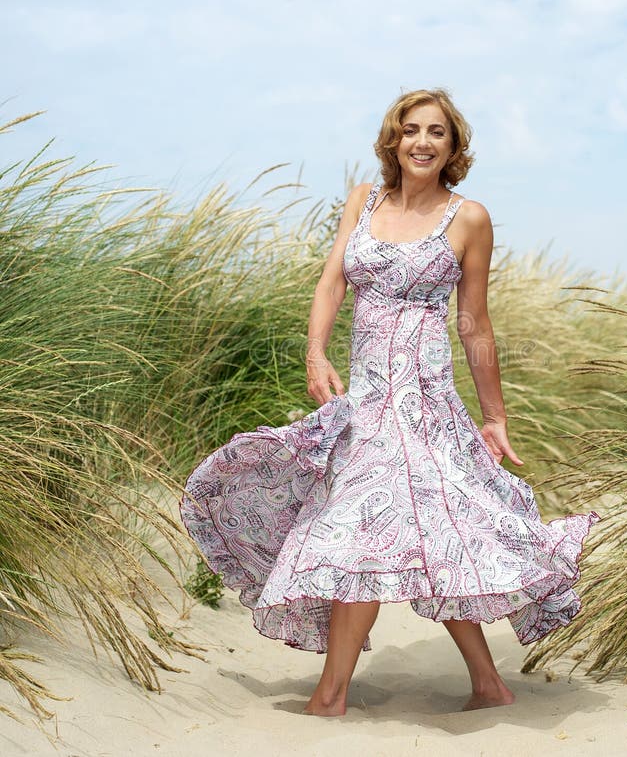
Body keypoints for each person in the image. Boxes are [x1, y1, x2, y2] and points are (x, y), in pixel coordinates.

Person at [180, 88, 598, 717]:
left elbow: (475, 325)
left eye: (436, 132)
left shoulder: (469, 219)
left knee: (410, 537)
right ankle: (479, 685)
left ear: (454, 146)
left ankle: (341, 695)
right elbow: (332, 282)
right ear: (393, 140)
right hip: (368, 403)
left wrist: (494, 416)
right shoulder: (362, 202)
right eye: (411, 130)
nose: (422, 142)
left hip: (426, 407)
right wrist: (316, 353)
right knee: (391, 536)